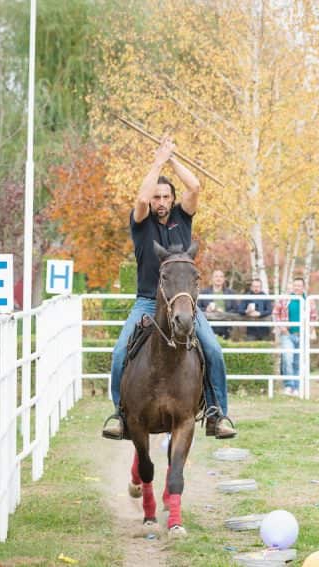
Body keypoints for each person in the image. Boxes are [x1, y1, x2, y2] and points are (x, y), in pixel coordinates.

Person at [102, 135, 236, 440]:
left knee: (214, 350)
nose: (160, 202)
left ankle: (217, 414)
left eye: (165, 197)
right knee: (120, 351)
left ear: (172, 200)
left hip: (184, 303)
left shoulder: (182, 217)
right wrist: (158, 161)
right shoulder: (141, 222)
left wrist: (173, 158)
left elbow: (195, 187)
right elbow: (139, 199)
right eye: (157, 197)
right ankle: (120, 415)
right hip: (148, 302)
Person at [273, 277, 307, 396]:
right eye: (295, 285)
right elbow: (276, 313)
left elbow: (313, 316)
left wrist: (309, 330)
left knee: (298, 362)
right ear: (292, 286)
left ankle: (297, 387)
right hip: (287, 334)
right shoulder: (285, 299)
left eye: (299, 285)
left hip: (302, 334)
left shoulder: (308, 300)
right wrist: (282, 327)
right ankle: (289, 385)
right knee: (287, 359)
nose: (297, 288)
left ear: (303, 287)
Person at [198, 269, 238, 339]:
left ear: (224, 279)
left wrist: (224, 313)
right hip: (208, 324)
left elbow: (236, 309)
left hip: (225, 325)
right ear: (212, 279)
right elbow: (197, 308)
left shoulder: (231, 293)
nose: (218, 279)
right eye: (216, 276)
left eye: (221, 277)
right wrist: (206, 309)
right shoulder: (203, 292)